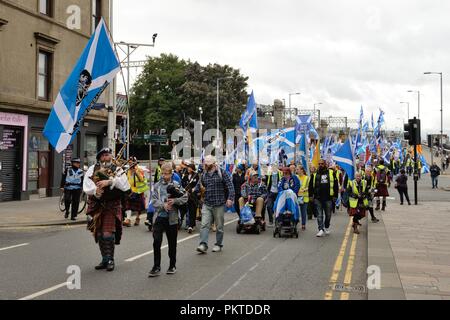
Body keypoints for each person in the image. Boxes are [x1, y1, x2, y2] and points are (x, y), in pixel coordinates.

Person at [83, 148, 130, 272]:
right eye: (103, 155)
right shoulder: (92, 169)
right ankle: (104, 259)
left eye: (108, 155)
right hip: (97, 204)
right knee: (99, 234)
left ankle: (110, 259)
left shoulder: (118, 169)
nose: (106, 157)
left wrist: (109, 182)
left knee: (107, 233)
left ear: (111, 156)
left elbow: (125, 185)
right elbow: (87, 185)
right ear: (100, 158)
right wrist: (95, 190)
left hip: (112, 204)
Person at [148, 162, 188, 277]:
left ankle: (172, 265)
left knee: (172, 243)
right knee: (156, 241)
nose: (164, 176)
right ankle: (156, 266)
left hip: (172, 218)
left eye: (167, 174)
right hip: (160, 217)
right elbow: (154, 200)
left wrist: (175, 201)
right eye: (163, 173)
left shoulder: (176, 184)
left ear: (171, 174)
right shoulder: (157, 186)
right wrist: (163, 205)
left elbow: (185, 197)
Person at [196, 156, 235, 254]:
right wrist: (191, 191)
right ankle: (203, 244)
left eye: (207, 164)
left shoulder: (222, 173)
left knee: (219, 227)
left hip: (219, 204)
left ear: (213, 164)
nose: (205, 165)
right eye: (205, 163)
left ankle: (218, 244)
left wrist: (230, 199)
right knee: (204, 224)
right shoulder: (204, 174)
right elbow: (198, 185)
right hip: (207, 203)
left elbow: (230, 186)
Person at [309, 159, 338, 237]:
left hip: (328, 198)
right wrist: (310, 196)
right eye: (319, 164)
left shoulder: (332, 173)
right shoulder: (314, 174)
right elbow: (310, 186)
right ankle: (320, 229)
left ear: (325, 164)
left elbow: (335, 185)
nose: (320, 165)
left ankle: (326, 226)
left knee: (328, 215)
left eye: (322, 164)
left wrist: (335, 196)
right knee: (319, 215)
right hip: (318, 198)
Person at [124, 157, 148, 227]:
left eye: (131, 162)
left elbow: (141, 180)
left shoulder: (139, 169)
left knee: (139, 207)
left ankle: (138, 218)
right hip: (130, 191)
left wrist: (136, 172)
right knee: (128, 205)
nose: (130, 163)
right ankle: (128, 219)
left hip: (138, 191)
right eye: (129, 162)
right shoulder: (127, 170)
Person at [182, 163, 200, 234]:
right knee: (188, 210)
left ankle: (191, 225)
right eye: (188, 167)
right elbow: (183, 183)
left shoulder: (196, 176)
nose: (188, 169)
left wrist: (191, 190)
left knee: (193, 210)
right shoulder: (185, 175)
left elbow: (196, 185)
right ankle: (190, 224)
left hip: (193, 195)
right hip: (186, 195)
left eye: (190, 167)